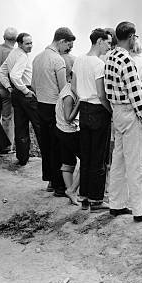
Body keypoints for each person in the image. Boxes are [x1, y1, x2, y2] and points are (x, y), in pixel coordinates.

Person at [104, 21, 142, 221]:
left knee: (118, 160)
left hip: (116, 112)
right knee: (138, 162)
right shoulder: (127, 60)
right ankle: (141, 210)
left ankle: (116, 204)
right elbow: (135, 93)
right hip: (130, 113)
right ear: (131, 37)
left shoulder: (110, 56)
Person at [72, 28, 113, 212]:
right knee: (99, 156)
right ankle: (97, 199)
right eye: (107, 42)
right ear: (99, 41)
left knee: (86, 154)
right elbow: (101, 94)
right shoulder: (98, 64)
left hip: (84, 108)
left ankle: (84, 197)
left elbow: (73, 86)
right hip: (97, 109)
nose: (109, 46)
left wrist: (83, 96)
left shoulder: (79, 60)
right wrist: (110, 111)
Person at [31, 27, 75, 196]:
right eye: (68, 44)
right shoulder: (58, 60)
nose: (68, 48)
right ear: (62, 41)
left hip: (40, 105)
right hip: (54, 106)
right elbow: (64, 90)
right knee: (58, 146)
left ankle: (50, 180)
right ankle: (60, 186)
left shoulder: (37, 58)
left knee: (47, 144)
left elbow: (33, 85)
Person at [0, 32, 41, 167]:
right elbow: (15, 76)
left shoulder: (13, 53)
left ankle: (22, 158)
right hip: (25, 92)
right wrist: (26, 91)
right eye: (27, 43)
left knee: (21, 126)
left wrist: (9, 87)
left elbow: (1, 72)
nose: (30, 46)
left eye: (31, 43)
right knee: (39, 125)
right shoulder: (22, 56)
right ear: (20, 43)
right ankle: (47, 156)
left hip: (16, 93)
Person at [55, 57, 81, 206]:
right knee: (86, 159)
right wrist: (81, 103)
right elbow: (68, 118)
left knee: (67, 162)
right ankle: (72, 190)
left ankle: (71, 193)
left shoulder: (66, 88)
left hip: (60, 130)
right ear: (71, 77)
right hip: (68, 131)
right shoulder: (69, 96)